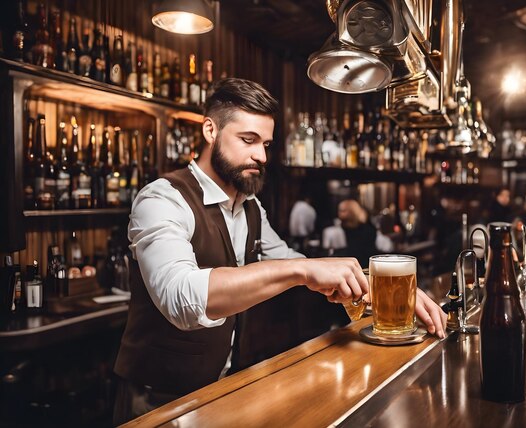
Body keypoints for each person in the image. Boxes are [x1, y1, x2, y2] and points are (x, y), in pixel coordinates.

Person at [113, 78, 446, 424]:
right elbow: (181, 298)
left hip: (218, 389)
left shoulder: (250, 207)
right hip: (154, 400)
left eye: (266, 143)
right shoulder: (162, 198)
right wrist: (302, 271)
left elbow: (291, 261)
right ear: (210, 130)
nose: (261, 155)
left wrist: (385, 290)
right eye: (248, 140)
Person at [325, 199, 393, 268]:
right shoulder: (335, 231)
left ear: (353, 212)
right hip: (354, 271)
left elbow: (387, 247)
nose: (340, 214)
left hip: (362, 272)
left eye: (343, 211)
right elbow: (387, 246)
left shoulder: (334, 232)